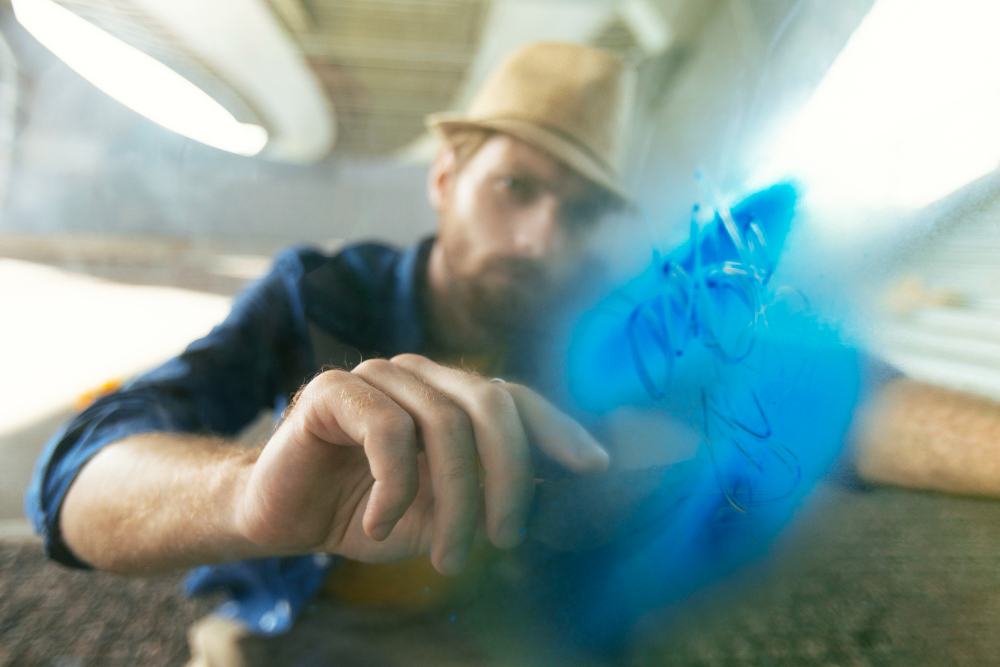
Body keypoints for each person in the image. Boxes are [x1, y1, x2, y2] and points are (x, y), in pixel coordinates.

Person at [25, 39, 1000, 666]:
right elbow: (79, 475)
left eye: (579, 213)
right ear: (446, 178)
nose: (541, 241)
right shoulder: (320, 290)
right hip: (293, 621)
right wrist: (244, 498)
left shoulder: (610, 323)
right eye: (514, 190)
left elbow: (839, 403)